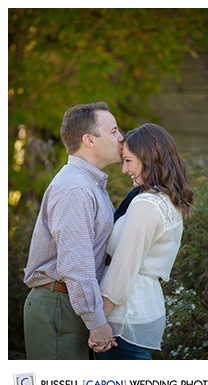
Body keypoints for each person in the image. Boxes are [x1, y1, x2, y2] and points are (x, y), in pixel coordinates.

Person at [23, 101, 123, 359]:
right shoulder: (75, 188)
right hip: (59, 306)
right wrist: (97, 322)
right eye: (113, 131)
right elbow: (76, 265)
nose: (121, 138)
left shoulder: (89, 184)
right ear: (89, 140)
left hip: (70, 304)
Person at [91, 123, 194, 359]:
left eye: (128, 161)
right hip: (143, 311)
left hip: (123, 318)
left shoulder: (146, 204)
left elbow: (123, 268)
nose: (124, 170)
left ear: (149, 159)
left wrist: (97, 324)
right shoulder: (166, 200)